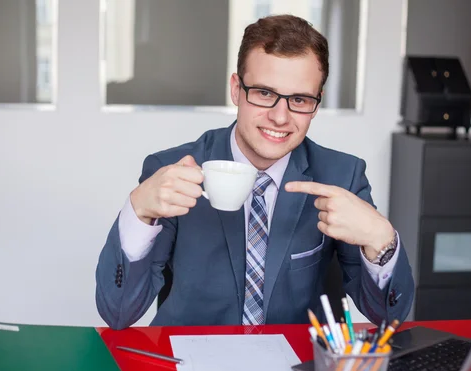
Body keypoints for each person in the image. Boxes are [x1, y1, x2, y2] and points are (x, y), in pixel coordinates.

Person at [95, 14, 414, 330]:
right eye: (264, 93)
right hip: (190, 361)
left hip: (296, 369)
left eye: (299, 99)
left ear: (316, 105)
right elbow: (118, 313)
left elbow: (389, 318)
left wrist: (380, 238)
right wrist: (137, 212)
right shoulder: (174, 172)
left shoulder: (342, 176)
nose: (279, 117)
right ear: (236, 89)